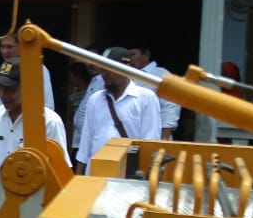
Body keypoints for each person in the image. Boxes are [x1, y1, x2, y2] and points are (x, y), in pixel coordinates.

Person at [0, 59, 72, 175]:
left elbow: (60, 171)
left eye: (10, 89)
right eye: (0, 87)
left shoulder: (49, 122)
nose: (3, 94)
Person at [75, 47, 162, 175]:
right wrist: (78, 179)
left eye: (110, 68)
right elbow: (85, 144)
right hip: (95, 175)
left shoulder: (146, 98)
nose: (105, 73)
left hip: (127, 177)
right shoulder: (95, 99)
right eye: (102, 68)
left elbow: (151, 145)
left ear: (127, 69)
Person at [129, 43, 181, 140]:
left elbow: (170, 109)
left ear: (146, 55)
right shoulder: (125, 74)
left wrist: (163, 140)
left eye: (132, 54)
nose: (129, 58)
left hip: (155, 138)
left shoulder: (161, 74)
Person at [0, 35, 54, 110]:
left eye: (10, 47)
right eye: (2, 47)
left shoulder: (37, 68)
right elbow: (0, 102)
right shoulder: (6, 66)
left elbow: (48, 105)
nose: (5, 51)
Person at [71, 59, 105, 163]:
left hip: (88, 141)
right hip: (80, 141)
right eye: (87, 60)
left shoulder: (103, 82)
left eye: (95, 60)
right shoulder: (94, 81)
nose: (90, 65)